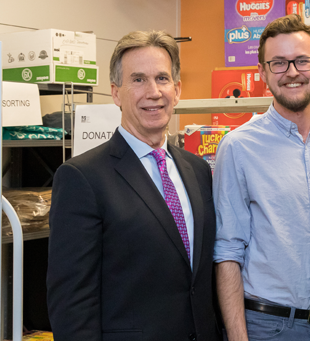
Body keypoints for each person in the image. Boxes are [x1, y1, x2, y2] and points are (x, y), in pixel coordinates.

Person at [47, 31, 219, 341]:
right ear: (115, 93)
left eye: (162, 79)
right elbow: (72, 302)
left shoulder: (197, 170)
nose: (153, 92)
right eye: (138, 80)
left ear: (177, 90)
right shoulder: (82, 178)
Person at [213, 14, 310, 341]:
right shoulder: (238, 147)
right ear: (262, 73)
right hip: (268, 327)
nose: (291, 72)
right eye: (278, 63)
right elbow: (227, 250)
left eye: (302, 60)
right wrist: (237, 336)